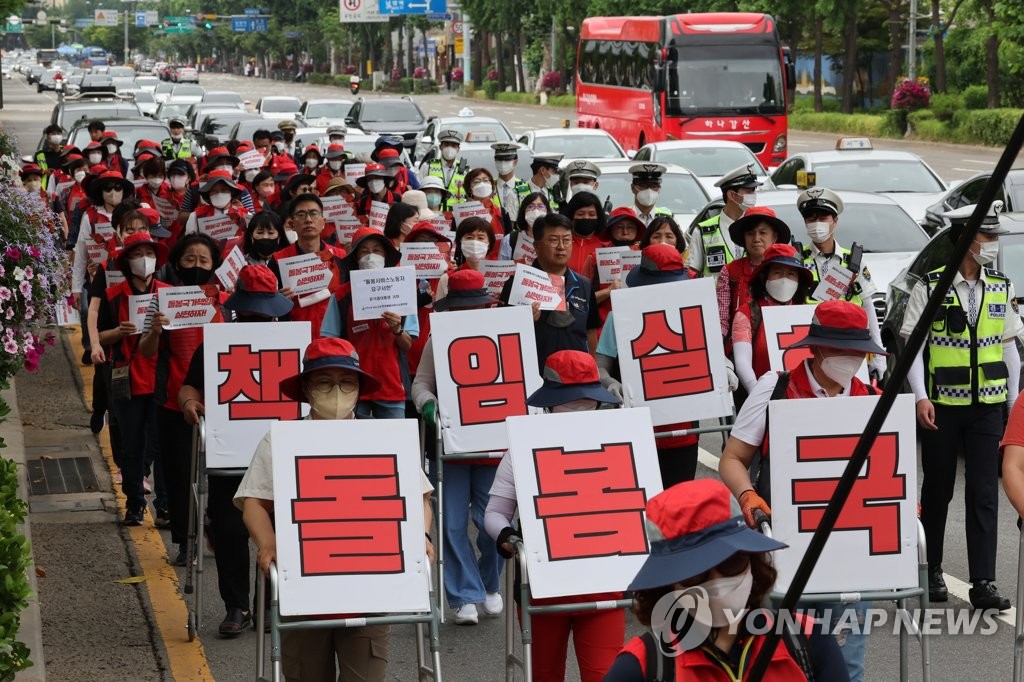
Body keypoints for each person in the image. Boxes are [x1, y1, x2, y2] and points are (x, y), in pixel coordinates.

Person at [234, 336, 435, 681]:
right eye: (325, 383)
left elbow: (419, 497)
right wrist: (268, 542)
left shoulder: (383, 439)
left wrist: (421, 535)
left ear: (358, 388)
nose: (337, 391)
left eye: (346, 382)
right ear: (307, 388)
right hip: (304, 586)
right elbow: (253, 500)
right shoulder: (282, 439)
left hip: (370, 588)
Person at [719, 299, 885, 682]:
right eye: (844, 350)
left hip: (853, 549)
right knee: (781, 660)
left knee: (846, 665)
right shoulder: (773, 389)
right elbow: (732, 459)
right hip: (784, 546)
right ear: (817, 347)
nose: (853, 360)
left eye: (859, 352)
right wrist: (748, 497)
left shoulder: (874, 402)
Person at [604, 479, 849, 681]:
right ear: (668, 585)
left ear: (752, 563)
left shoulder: (806, 641)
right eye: (695, 573)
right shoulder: (642, 668)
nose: (717, 584)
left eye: (731, 563)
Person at [903, 202, 1020, 611]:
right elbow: (913, 347)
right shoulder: (931, 285)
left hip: (988, 407)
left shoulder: (1001, 286)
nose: (993, 244)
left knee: (985, 492)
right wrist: (920, 396)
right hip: (942, 406)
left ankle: (983, 581)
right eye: (987, 237)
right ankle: (932, 569)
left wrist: (1013, 405)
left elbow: (1009, 351)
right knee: (937, 490)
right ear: (968, 242)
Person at [484, 350, 625, 681]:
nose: (578, 407)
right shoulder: (522, 446)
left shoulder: (619, 440)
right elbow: (495, 513)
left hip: (604, 582)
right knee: (545, 675)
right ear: (549, 401)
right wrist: (508, 538)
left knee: (605, 675)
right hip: (543, 582)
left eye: (585, 400)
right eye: (569, 400)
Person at [177, 264, 294, 636]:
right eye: (250, 312)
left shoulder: (294, 344)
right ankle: (237, 606)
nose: (255, 319)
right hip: (231, 455)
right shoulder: (214, 345)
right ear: (238, 308)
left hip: (278, 455)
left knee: (281, 529)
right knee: (228, 529)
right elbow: (189, 388)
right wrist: (189, 405)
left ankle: (272, 603)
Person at [412, 270, 503, 625]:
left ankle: (489, 582)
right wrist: (427, 403)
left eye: (475, 306)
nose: (469, 312)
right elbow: (421, 383)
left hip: (494, 450)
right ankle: (463, 593)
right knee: (450, 524)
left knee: (490, 521)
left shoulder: (504, 335)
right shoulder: (438, 339)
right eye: (461, 307)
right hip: (449, 446)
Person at [143, 233, 227, 565]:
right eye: (189, 260)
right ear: (177, 263)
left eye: (203, 261)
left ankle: (212, 529)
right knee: (179, 477)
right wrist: (154, 331)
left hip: (220, 403)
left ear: (214, 266)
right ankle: (184, 540)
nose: (196, 266)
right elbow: (146, 351)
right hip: (172, 403)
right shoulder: (162, 300)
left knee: (216, 477)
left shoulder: (225, 300)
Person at [596, 244, 700, 487]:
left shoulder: (693, 313)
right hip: (634, 427)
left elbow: (710, 353)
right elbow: (600, 365)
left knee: (680, 504)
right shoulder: (618, 316)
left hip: (682, 431)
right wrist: (609, 382)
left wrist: (724, 367)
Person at [95, 231, 170, 526]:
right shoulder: (113, 297)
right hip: (125, 377)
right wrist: (118, 333)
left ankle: (165, 505)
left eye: (149, 254)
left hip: (161, 379)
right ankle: (135, 503)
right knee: (131, 444)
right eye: (138, 255)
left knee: (162, 444)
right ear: (127, 262)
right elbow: (99, 336)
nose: (145, 260)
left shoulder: (167, 292)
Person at [321, 227, 418, 419]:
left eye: (377, 250)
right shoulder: (341, 297)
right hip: (354, 387)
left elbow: (408, 345)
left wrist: (397, 329)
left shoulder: (403, 291)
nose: (370, 256)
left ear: (385, 255)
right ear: (356, 258)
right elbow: (328, 341)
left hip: (391, 385)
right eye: (364, 251)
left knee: (395, 444)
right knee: (356, 446)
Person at [797, 187, 886, 380]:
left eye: (823, 218)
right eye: (811, 219)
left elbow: (868, 306)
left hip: (852, 347)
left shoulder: (853, 260)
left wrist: (878, 354)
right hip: (813, 348)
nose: (817, 223)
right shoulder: (796, 259)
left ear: (835, 222)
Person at [500, 213, 601, 368]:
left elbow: (590, 332)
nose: (561, 246)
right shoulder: (517, 284)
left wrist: (592, 368)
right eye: (553, 240)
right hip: (534, 374)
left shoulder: (584, 285)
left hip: (576, 376)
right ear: (537, 246)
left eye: (566, 240)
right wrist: (523, 320)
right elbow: (503, 333)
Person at [732, 243, 815, 394]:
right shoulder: (747, 313)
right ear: (764, 276)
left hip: (805, 398)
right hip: (763, 396)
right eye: (777, 272)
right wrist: (757, 393)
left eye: (791, 274)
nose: (784, 280)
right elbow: (742, 362)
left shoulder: (807, 313)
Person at [271, 194, 348, 338]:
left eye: (313, 213)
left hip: (334, 339)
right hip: (294, 338)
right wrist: (278, 300)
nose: (308, 220)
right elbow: (270, 308)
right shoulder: (278, 260)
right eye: (301, 214)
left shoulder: (341, 257)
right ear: (292, 224)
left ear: (323, 222)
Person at [716, 206, 790, 341]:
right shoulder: (729, 271)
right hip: (738, 344)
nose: (756, 238)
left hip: (780, 344)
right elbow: (722, 319)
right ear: (744, 238)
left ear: (775, 237)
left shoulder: (789, 270)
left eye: (763, 233)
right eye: (750, 233)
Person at [686, 163, 761, 278]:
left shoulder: (758, 228)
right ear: (731, 195)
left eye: (754, 190)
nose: (753, 195)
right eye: (749, 191)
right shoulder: (703, 231)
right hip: (714, 295)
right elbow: (691, 272)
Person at [561, 191, 607, 282]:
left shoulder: (606, 245)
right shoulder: (561, 243)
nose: (586, 217)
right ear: (571, 216)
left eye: (592, 214)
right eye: (580, 214)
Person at [421, 129, 468, 209]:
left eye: (453, 145)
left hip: (456, 215)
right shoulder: (428, 166)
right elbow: (419, 190)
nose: (450, 148)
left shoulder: (465, 168)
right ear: (440, 146)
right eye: (446, 144)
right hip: (433, 213)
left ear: (458, 149)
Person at [498, 192, 550, 263]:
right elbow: (502, 268)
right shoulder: (510, 239)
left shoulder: (553, 238)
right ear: (524, 211)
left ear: (547, 211)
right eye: (531, 207)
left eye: (540, 206)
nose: (536, 211)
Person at [491, 142, 529, 222]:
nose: (502, 163)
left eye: (507, 160)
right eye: (499, 160)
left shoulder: (525, 188)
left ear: (515, 162)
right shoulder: (489, 186)